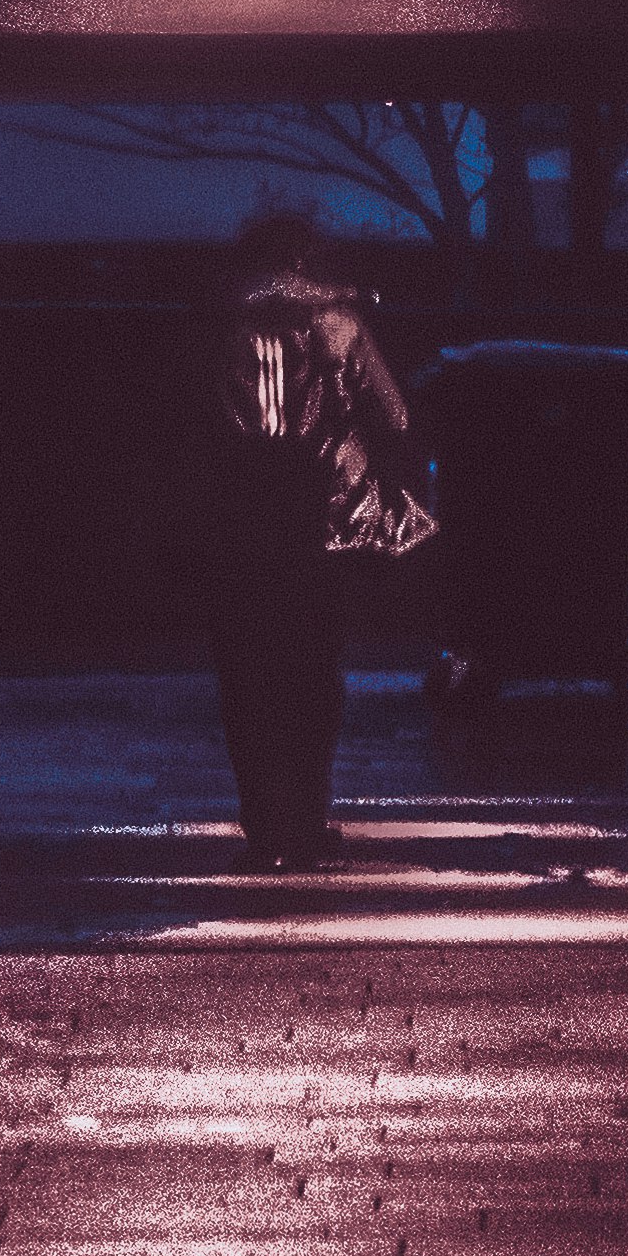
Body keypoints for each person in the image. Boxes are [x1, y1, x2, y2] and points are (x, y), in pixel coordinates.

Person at [198, 213, 432, 870]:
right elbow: (394, 414)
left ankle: (264, 826)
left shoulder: (217, 323)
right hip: (318, 523)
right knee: (311, 675)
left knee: (247, 679)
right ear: (308, 260)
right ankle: (305, 820)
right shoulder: (338, 323)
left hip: (237, 521)